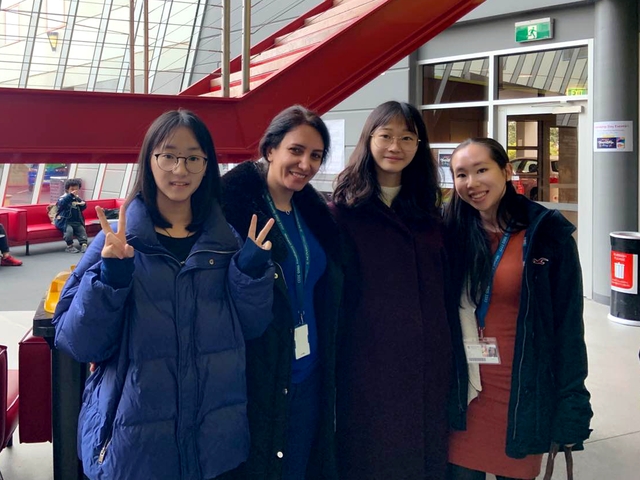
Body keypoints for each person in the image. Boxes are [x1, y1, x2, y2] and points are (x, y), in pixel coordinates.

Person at [53, 110, 276, 480]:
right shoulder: (116, 242)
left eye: (193, 158)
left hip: (214, 444)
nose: (180, 169)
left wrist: (249, 272)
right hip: (135, 448)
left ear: (207, 166)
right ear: (149, 160)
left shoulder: (227, 244)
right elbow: (80, 343)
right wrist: (112, 278)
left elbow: (251, 328)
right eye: (168, 155)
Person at [443, 138, 593, 480]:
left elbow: (568, 328)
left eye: (482, 170)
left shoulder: (546, 234)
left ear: (507, 170)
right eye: (461, 174)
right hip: (465, 392)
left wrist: (572, 404)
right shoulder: (451, 233)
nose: (472, 183)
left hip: (522, 393)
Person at [331, 100, 464, 479]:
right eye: (386, 135)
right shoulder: (343, 212)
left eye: (407, 138)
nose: (396, 146)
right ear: (368, 139)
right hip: (367, 363)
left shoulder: (430, 211)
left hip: (429, 362)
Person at [219, 105, 343, 480]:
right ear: (271, 149)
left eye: (316, 155)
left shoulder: (313, 213)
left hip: (309, 372)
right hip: (260, 374)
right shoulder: (231, 212)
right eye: (296, 150)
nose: (305, 164)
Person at [56, 178, 88, 253]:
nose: (74, 191)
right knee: (69, 231)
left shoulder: (77, 198)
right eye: (72, 189)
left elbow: (82, 208)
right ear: (67, 189)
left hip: (76, 221)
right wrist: (70, 196)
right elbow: (61, 204)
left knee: (82, 231)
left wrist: (83, 204)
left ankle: (84, 245)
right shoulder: (63, 198)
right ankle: (69, 246)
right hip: (65, 222)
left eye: (76, 189)